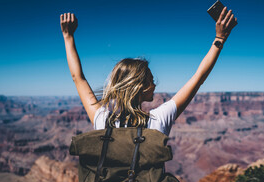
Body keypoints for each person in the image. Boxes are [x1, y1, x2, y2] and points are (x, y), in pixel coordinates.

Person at [60, 7, 237, 134]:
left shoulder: (101, 120)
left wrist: (68, 37)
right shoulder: (158, 119)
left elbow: (78, 78)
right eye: (151, 81)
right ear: (140, 87)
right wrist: (219, 38)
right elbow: (198, 78)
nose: (155, 84)